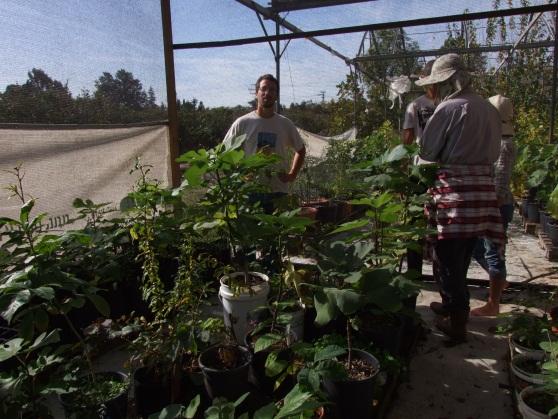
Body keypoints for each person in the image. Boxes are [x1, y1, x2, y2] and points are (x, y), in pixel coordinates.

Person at [416, 53, 504, 345]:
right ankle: (452, 305)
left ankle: (457, 321)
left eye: (436, 85)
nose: (435, 91)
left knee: (445, 257)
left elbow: (428, 153)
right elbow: (493, 154)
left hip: (455, 192)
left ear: (446, 82)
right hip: (482, 191)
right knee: (463, 252)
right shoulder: (489, 109)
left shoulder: (449, 108)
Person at [223, 74, 306, 212]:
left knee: (279, 231)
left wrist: (292, 175)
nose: (267, 93)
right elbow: (224, 153)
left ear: (277, 95)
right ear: (256, 93)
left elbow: (301, 150)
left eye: (272, 90)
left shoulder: (285, 124)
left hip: (278, 191)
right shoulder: (242, 123)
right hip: (250, 191)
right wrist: (238, 177)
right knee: (253, 233)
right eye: (264, 89)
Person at [470, 95, 516, 317]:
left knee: (492, 252)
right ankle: (499, 281)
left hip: (497, 207)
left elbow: (500, 186)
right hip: (493, 205)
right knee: (479, 248)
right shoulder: (498, 141)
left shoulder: (504, 146)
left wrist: (488, 213)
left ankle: (493, 303)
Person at [402, 60, 436, 280]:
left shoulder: (449, 104)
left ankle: (435, 274)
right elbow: (407, 140)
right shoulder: (415, 105)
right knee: (417, 222)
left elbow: (406, 139)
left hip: (438, 171)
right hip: (423, 171)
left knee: (436, 225)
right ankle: (415, 275)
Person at [402, 60, 436, 147]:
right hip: (424, 158)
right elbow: (408, 138)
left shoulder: (449, 103)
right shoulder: (414, 106)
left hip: (446, 158)